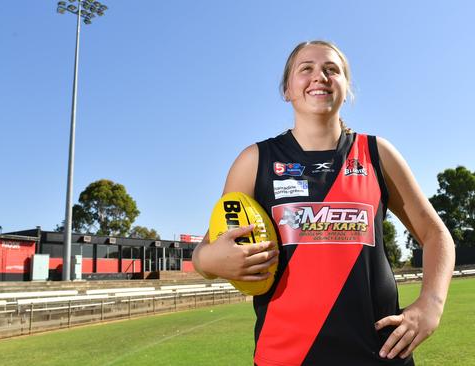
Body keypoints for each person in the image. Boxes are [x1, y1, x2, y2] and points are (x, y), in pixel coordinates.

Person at [192, 40, 455, 366]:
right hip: (286, 357)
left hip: (380, 355)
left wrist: (431, 304)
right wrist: (211, 261)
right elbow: (204, 253)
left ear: (347, 88)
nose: (320, 76)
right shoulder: (254, 160)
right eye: (307, 69)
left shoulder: (377, 154)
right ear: (288, 89)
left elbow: (435, 234)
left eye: (332, 70)